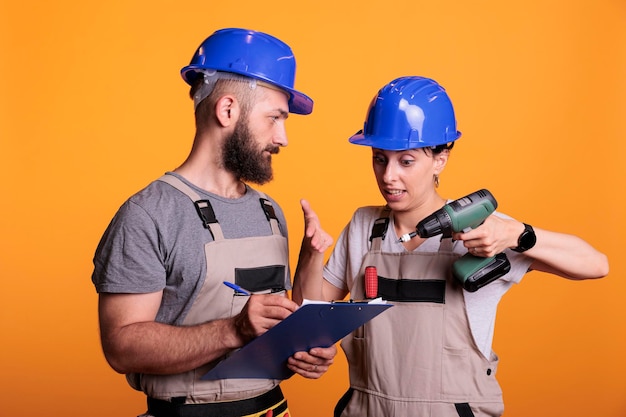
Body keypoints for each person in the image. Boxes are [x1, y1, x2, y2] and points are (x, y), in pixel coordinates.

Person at [292, 75, 609, 417]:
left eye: (406, 161)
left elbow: (596, 265)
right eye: (380, 158)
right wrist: (311, 254)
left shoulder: (483, 227)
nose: (388, 176)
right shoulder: (364, 225)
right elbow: (309, 315)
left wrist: (517, 234)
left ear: (440, 159)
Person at [91, 28, 336, 417]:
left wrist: (305, 348)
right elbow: (121, 346)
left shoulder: (270, 212)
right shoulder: (149, 214)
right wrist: (232, 330)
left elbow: (269, 324)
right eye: (275, 118)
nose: (283, 137)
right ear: (227, 110)